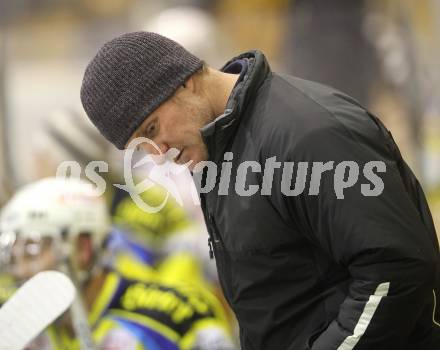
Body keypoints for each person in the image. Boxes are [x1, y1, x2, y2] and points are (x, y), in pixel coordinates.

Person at [79, 31, 440, 349]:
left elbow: (397, 267)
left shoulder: (309, 134)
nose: (159, 154)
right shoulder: (214, 148)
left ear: (183, 81)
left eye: (153, 128)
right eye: (141, 147)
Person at [0, 177, 235, 350]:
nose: (20, 271)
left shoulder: (176, 316)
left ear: (83, 248)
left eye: (32, 251)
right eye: (12, 257)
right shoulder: (18, 324)